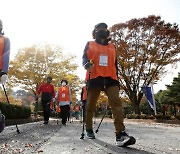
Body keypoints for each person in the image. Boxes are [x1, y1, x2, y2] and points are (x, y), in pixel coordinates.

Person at [82, 22, 136, 147]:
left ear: (107, 32)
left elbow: (115, 64)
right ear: (94, 32)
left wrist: (118, 80)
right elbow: (84, 58)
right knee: (90, 104)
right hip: (94, 78)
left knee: (116, 103)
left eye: (104, 28)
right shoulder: (90, 44)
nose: (102, 30)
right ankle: (88, 128)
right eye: (99, 28)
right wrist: (86, 64)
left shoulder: (113, 47)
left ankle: (120, 134)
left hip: (111, 79)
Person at [0, 19, 10, 133]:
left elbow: (6, 56)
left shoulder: (5, 40)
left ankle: (0, 122)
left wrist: (4, 72)